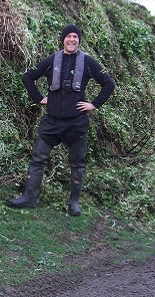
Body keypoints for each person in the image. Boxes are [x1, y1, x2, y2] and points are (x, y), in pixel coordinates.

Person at [7, 24, 115, 216]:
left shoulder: (88, 62)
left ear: (79, 40)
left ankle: (74, 203)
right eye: (68, 36)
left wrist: (94, 104)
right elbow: (28, 77)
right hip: (51, 122)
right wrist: (40, 98)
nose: (72, 39)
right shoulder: (51, 61)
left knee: (78, 163)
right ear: (63, 39)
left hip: (76, 122)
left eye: (75, 36)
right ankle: (29, 199)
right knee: (38, 159)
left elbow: (108, 83)